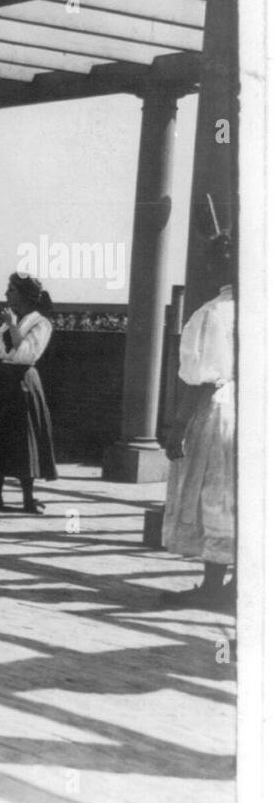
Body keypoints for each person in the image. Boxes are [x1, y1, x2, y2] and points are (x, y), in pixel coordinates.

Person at [161, 234, 236, 608]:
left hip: (221, 407)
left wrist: (178, 425)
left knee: (214, 490)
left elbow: (201, 378)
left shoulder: (212, 313)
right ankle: (236, 584)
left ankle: (212, 585)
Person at [0, 273, 59, 513]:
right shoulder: (12, 319)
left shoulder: (40, 323)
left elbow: (27, 353)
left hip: (22, 383)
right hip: (2, 382)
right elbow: (3, 348)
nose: (6, 294)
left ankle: (28, 499)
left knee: (23, 438)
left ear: (25, 295)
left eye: (12, 290)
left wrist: (12, 325)